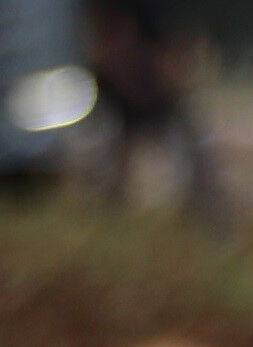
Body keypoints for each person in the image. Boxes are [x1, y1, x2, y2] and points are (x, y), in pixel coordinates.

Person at [79, 0, 219, 220]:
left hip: (148, 83)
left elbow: (174, 41)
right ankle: (106, 210)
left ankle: (203, 207)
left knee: (189, 149)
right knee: (112, 153)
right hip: (130, 84)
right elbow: (108, 36)